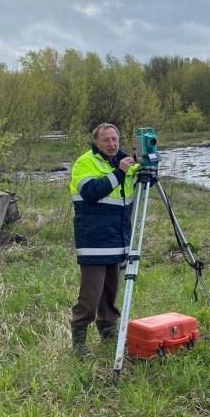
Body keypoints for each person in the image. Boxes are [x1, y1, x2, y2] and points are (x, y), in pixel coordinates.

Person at [68, 123, 139, 357]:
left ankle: (108, 332)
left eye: (115, 139)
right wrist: (119, 172)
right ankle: (79, 341)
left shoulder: (125, 163)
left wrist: (143, 170)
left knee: (111, 291)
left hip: (118, 239)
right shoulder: (85, 162)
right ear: (96, 142)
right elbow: (90, 192)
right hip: (94, 240)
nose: (112, 144)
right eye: (107, 140)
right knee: (91, 294)